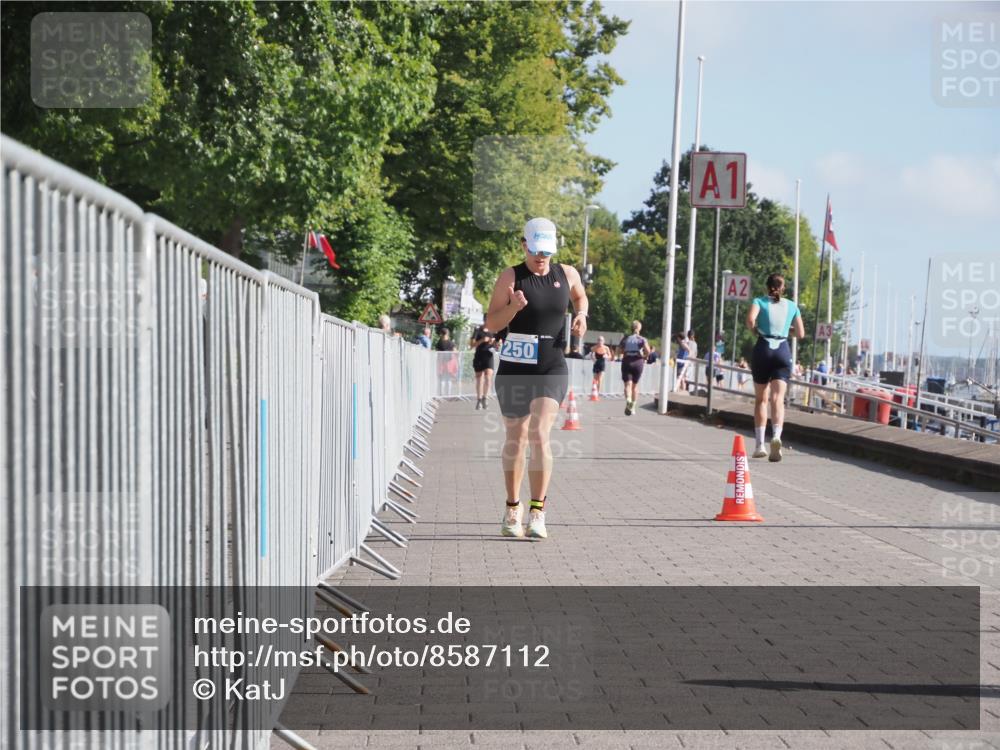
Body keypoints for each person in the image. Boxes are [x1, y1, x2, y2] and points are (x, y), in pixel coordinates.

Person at [485, 217, 588, 540]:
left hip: (551, 366)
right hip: (515, 368)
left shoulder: (566, 273)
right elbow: (491, 324)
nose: (541, 257)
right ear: (524, 245)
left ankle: (537, 511)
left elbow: (580, 297)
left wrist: (582, 314)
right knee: (516, 438)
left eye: (546, 251)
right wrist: (513, 309)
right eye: (535, 250)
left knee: (539, 433)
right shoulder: (511, 277)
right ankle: (512, 508)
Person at [747, 273, 805, 461]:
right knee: (777, 399)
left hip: (763, 348)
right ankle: (777, 437)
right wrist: (786, 329)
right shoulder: (792, 306)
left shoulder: (759, 301)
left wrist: (756, 330)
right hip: (782, 350)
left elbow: (750, 320)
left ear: (767, 286)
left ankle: (759, 445)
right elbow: (801, 333)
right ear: (783, 288)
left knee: (761, 400)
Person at [620, 321, 651, 415]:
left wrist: (626, 352)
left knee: (627, 385)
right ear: (639, 328)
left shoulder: (625, 338)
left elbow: (620, 350)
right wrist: (645, 356)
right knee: (635, 386)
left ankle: (628, 400)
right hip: (638, 362)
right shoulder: (642, 339)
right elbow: (648, 351)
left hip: (627, 361)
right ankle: (633, 407)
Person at [470, 325, 495, 409]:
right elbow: (472, 345)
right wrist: (482, 340)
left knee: (488, 377)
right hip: (479, 356)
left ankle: (485, 397)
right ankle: (479, 399)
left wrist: (495, 343)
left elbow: (497, 343)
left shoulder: (493, 330)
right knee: (479, 378)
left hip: (489, 356)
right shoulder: (477, 331)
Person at [436, 328, 457, 396]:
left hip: (441, 362)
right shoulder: (451, 343)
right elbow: (455, 351)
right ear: (448, 334)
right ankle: (448, 394)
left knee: (442, 379)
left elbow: (437, 352)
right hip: (450, 363)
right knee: (448, 379)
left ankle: (441, 394)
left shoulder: (439, 343)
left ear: (441, 334)